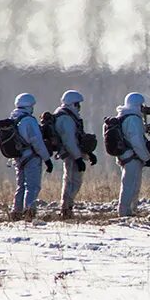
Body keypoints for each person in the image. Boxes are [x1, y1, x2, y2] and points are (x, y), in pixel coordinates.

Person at [53, 89, 96, 219]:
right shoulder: (66, 118)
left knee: (72, 181)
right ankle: (66, 209)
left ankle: (67, 208)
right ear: (73, 104)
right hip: (70, 155)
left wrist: (87, 154)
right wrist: (78, 158)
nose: (79, 107)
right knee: (71, 182)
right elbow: (69, 141)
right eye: (78, 104)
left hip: (73, 153)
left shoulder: (67, 116)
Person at [10, 93, 51, 221]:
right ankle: (29, 212)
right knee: (32, 186)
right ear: (29, 106)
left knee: (20, 185)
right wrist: (47, 159)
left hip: (17, 158)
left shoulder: (12, 118)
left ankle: (16, 212)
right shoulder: (28, 120)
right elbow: (37, 142)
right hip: (31, 157)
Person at [115, 92, 150, 216]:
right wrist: (146, 157)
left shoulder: (125, 116)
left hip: (127, 155)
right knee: (129, 185)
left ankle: (130, 210)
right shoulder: (133, 119)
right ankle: (124, 212)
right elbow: (136, 141)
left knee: (132, 184)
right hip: (132, 156)